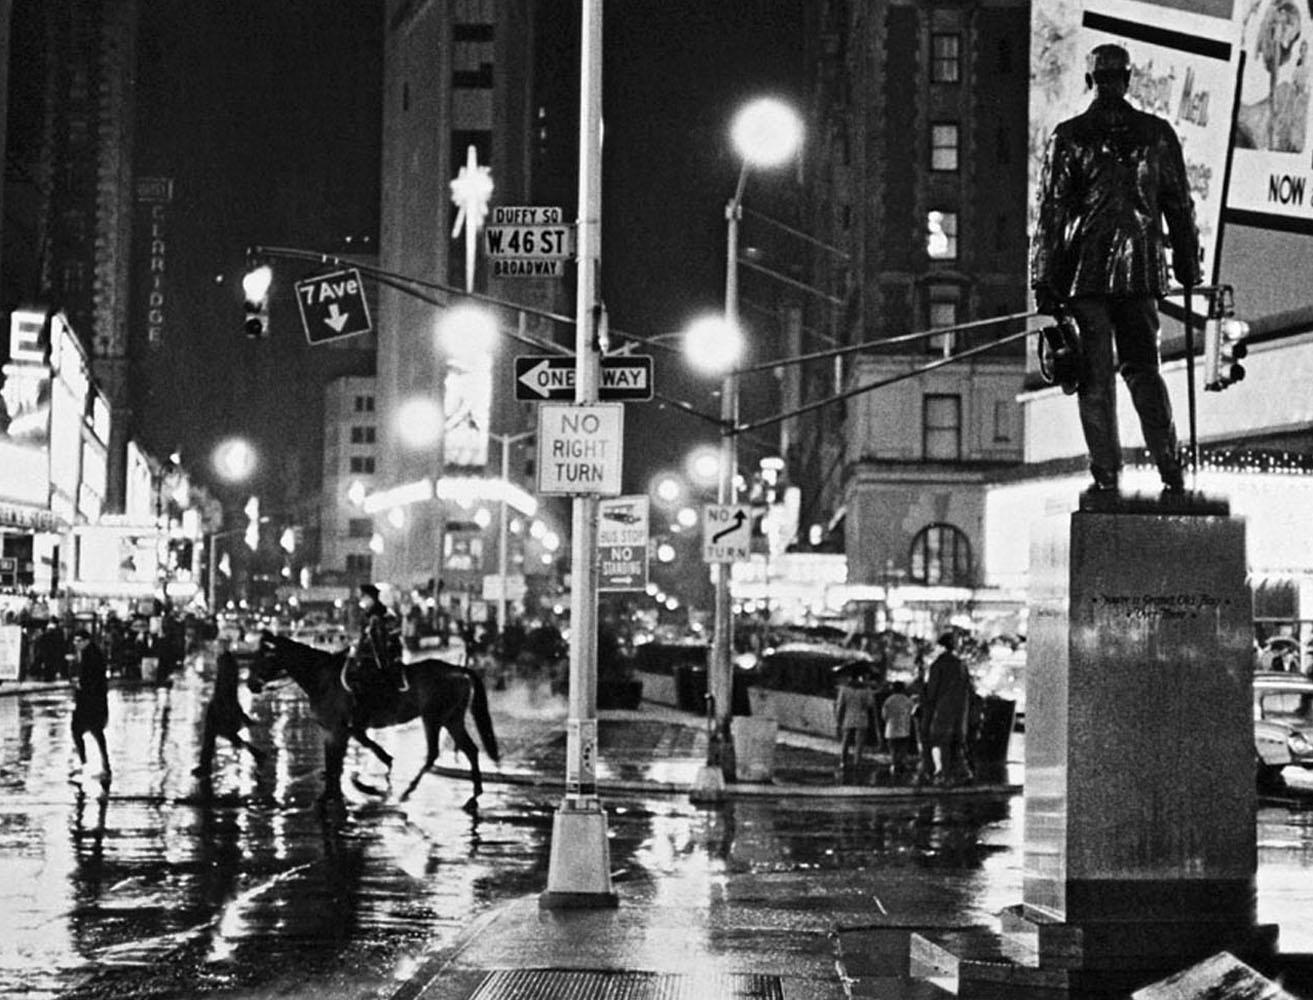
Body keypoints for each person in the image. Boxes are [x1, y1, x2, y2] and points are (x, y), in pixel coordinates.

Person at [1031, 42, 1201, 497]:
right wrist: (1188, 262)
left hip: (1087, 276)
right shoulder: (1157, 134)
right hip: (1140, 273)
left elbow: (1052, 212)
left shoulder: (1069, 137)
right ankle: (1171, 469)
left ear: (1092, 80)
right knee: (1144, 371)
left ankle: (1107, 477)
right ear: (1127, 79)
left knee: (1096, 380)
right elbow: (1179, 207)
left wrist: (1044, 278)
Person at [192, 637, 265, 779]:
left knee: (214, 737)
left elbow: (225, 687)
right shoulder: (226, 661)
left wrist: (231, 710)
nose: (215, 648)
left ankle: (205, 767)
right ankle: (257, 754)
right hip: (222, 705)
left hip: (221, 706)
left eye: (218, 646)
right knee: (221, 737)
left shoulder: (226, 662)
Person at [919, 632, 974, 787]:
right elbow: (969, 688)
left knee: (940, 742)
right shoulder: (961, 665)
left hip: (942, 710)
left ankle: (944, 775)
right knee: (957, 743)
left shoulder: (938, 665)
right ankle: (963, 773)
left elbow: (932, 692)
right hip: (961, 710)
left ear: (941, 647)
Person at [68, 629, 111, 787]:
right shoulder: (89, 653)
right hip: (92, 702)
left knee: (82, 731)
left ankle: (88, 764)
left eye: (78, 640)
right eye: (75, 641)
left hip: (90, 702)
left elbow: (93, 679)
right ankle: (101, 765)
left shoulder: (91, 655)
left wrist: (80, 685)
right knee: (92, 733)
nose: (76, 644)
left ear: (86, 641)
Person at [353, 583, 406, 691]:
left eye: (364, 597)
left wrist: (382, 663)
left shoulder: (381, 615)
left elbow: (380, 642)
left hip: (384, 660)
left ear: (372, 598)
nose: (362, 601)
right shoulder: (367, 616)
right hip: (372, 658)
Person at [834, 669, 876, 780]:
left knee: (845, 741)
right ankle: (857, 763)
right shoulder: (866, 690)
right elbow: (870, 704)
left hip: (848, 717)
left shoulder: (844, 689)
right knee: (859, 743)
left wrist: (838, 720)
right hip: (862, 718)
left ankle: (843, 761)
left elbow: (840, 706)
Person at [880, 680, 915, 782]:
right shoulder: (907, 700)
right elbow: (912, 712)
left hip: (891, 730)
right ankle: (901, 766)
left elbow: (884, 715)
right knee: (903, 749)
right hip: (904, 729)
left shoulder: (888, 700)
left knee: (893, 750)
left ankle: (894, 765)